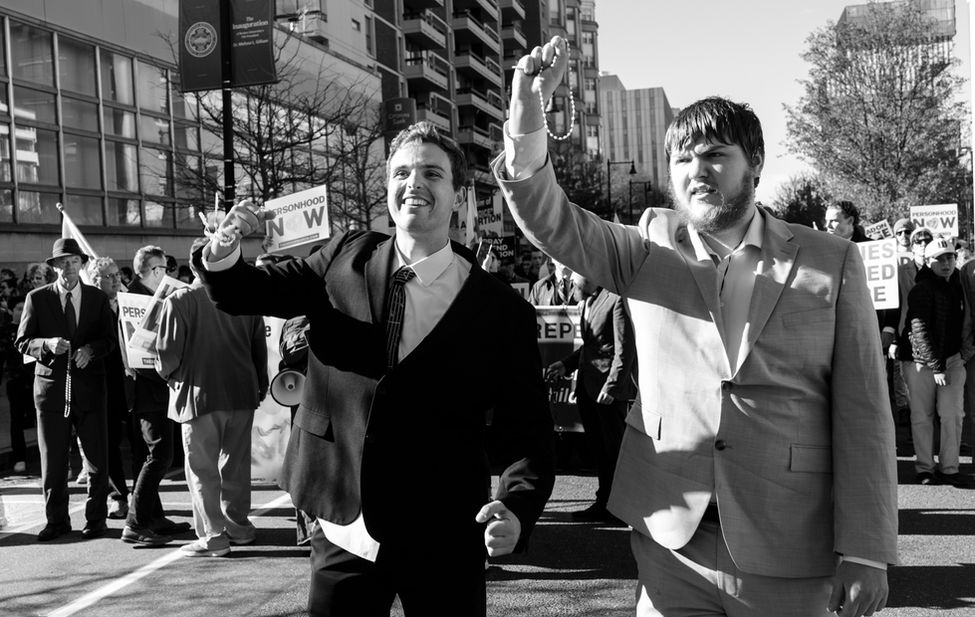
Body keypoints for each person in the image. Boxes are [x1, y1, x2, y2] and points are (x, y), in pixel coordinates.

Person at [495, 37, 897, 617]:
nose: (696, 172)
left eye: (714, 155)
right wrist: (527, 120)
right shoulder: (650, 245)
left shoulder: (830, 260)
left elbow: (864, 413)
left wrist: (866, 550)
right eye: (682, 160)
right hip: (668, 541)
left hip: (789, 543)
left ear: (754, 163)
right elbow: (552, 221)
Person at [194, 120, 555, 616]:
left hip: (445, 532)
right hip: (344, 526)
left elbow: (528, 429)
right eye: (402, 173)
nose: (414, 184)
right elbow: (248, 290)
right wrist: (223, 253)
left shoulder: (500, 309)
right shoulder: (344, 255)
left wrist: (516, 505)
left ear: (458, 194)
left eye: (433, 173)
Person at [155, 237, 268, 557]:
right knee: (236, 464)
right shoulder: (245, 299)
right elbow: (259, 350)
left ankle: (214, 535)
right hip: (242, 391)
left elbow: (166, 358)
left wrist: (169, 377)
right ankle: (239, 527)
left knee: (202, 470)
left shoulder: (180, 300)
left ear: (192, 265)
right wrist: (259, 385)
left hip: (198, 395)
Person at [15, 238, 116, 541]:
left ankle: (96, 520)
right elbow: (22, 341)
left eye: (75, 262)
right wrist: (46, 344)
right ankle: (56, 520)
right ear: (55, 266)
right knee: (54, 461)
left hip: (89, 389)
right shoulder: (38, 298)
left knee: (97, 460)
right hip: (51, 391)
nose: (70, 268)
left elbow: (109, 340)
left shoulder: (97, 298)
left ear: (81, 265)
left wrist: (92, 351)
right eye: (64, 262)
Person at [545, 272, 635, 524]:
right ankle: (604, 503)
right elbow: (591, 347)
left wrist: (613, 385)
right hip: (588, 387)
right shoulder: (587, 301)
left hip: (607, 392)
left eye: (575, 280)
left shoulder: (615, 300)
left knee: (612, 450)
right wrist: (566, 364)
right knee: (600, 450)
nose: (571, 285)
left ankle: (619, 508)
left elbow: (624, 348)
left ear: (591, 276)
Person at [120, 245, 189, 546]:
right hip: (149, 389)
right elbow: (137, 356)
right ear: (152, 270)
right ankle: (135, 523)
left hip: (157, 386)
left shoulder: (149, 296)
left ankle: (153, 516)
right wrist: (169, 374)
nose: (166, 273)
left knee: (150, 456)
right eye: (163, 268)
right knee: (160, 455)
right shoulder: (134, 300)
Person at [899, 238, 968, 487]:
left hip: (952, 359)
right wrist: (936, 365)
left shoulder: (961, 284)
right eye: (939, 258)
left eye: (949, 257)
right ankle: (925, 468)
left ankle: (950, 468)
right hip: (920, 362)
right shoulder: (922, 288)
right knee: (922, 416)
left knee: (952, 414)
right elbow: (918, 329)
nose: (946, 262)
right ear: (928, 261)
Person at [87, 257, 131, 520]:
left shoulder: (128, 302)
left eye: (117, 275)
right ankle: (117, 495)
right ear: (94, 281)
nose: (117, 280)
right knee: (109, 442)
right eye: (109, 276)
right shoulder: (90, 308)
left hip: (133, 382)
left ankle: (145, 498)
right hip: (105, 383)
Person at [2, 294, 31, 473]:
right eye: (19, 309)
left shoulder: (33, 328)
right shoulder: (5, 331)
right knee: (17, 420)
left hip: (35, 380)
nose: (22, 312)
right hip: (15, 381)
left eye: (24, 308)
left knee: (42, 419)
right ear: (11, 311)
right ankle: (19, 456)